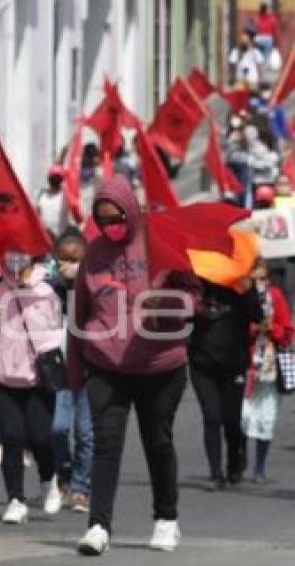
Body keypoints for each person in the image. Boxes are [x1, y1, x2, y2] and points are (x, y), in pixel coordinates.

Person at [68, 176, 200, 556]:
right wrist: (74, 374)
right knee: (105, 445)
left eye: (117, 217)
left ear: (131, 210)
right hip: (106, 364)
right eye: (104, 218)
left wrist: (170, 305)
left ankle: (166, 519)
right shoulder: (93, 254)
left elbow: (193, 297)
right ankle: (97, 526)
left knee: (157, 442)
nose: (112, 225)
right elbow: (78, 313)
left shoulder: (162, 241)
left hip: (160, 365)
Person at [0, 252, 63, 524]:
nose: (16, 267)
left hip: (37, 377)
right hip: (3, 374)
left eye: (22, 262)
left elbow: (56, 331)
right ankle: (15, 499)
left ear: (33, 262)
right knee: (11, 437)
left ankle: (48, 479)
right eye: (11, 262)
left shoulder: (46, 292)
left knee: (41, 437)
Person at [189, 277, 263, 490]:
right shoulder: (195, 282)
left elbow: (258, 317)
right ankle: (215, 473)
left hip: (234, 363)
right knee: (212, 417)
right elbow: (180, 315)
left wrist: (249, 290)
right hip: (201, 363)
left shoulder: (240, 281)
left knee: (231, 420)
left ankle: (234, 462)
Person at [47, 227, 93, 513]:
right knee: (58, 428)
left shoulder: (94, 289)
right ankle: (63, 473)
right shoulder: (50, 289)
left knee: (86, 433)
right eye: (62, 259)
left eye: (73, 260)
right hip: (60, 371)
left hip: (90, 371)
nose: (67, 266)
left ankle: (81, 487)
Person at [242, 260, 293, 483]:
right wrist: (254, 328)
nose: (259, 283)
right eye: (255, 279)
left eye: (263, 278)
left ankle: (259, 467)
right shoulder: (242, 296)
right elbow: (233, 329)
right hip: (247, 365)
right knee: (242, 417)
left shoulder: (276, 297)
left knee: (267, 418)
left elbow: (288, 333)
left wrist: (272, 328)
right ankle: (238, 461)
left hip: (270, 368)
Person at [36, 165, 69, 237]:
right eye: (53, 177)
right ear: (49, 178)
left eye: (58, 177)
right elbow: (37, 214)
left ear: (61, 180)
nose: (55, 179)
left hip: (60, 239)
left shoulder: (65, 196)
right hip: (45, 238)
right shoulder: (41, 195)